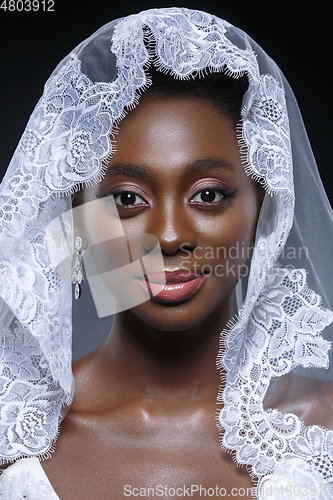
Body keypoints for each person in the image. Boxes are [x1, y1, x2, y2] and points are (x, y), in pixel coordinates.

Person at [0, 7, 333, 500]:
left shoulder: (322, 431)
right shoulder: (15, 439)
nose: (172, 237)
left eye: (209, 194)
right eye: (127, 199)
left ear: (265, 209)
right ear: (75, 215)